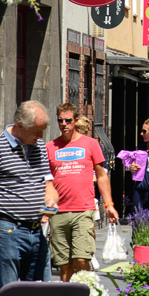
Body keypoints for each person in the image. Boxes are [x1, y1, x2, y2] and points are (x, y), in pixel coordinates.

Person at [0, 101, 58, 290]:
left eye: (43, 131)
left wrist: (51, 200)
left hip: (36, 230)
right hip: (7, 230)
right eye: (37, 131)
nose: (41, 136)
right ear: (20, 125)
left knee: (41, 292)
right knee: (9, 293)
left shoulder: (40, 147)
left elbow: (48, 185)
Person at [45, 103, 119, 281]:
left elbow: (101, 175)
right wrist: (45, 210)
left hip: (83, 210)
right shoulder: (50, 147)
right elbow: (45, 181)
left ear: (76, 121)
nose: (64, 124)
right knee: (64, 264)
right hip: (58, 212)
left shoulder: (91, 144)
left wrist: (109, 204)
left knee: (82, 258)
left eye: (68, 120)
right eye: (60, 120)